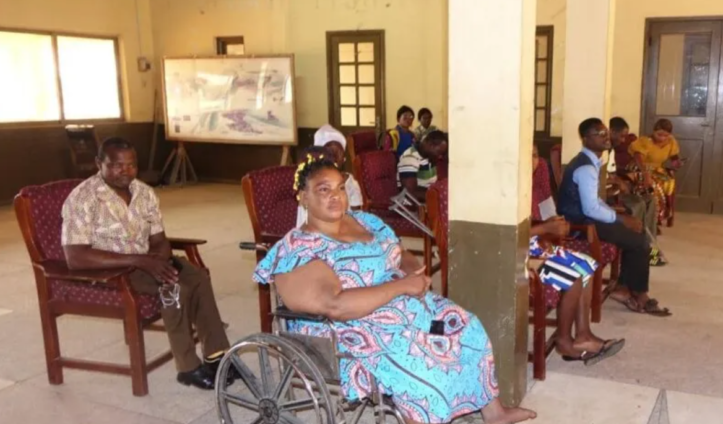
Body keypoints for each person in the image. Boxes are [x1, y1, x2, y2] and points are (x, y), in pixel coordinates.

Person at [254, 155, 537, 424]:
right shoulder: (300, 249)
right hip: (352, 329)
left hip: (405, 308)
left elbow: (399, 252)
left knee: (463, 326)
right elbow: (334, 305)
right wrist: (401, 285)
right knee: (422, 359)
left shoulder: (363, 221)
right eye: (323, 189)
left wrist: (413, 273)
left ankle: (494, 411)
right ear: (303, 197)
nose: (336, 196)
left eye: (339, 187)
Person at [62, 137, 233, 389]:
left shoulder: (144, 192)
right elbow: (75, 257)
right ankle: (188, 367)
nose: (125, 171)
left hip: (145, 261)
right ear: (99, 163)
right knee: (176, 289)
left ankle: (217, 356)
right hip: (112, 270)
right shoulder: (83, 198)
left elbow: (159, 240)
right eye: (116, 165)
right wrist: (141, 261)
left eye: (131, 164)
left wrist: (159, 262)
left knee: (197, 277)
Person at [557, 118, 671, 317]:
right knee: (639, 240)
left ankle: (625, 287)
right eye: (599, 134)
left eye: (606, 132)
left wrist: (617, 214)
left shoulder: (592, 162)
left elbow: (595, 201)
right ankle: (639, 294)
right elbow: (591, 209)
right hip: (581, 226)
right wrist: (620, 219)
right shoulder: (585, 168)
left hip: (588, 219)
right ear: (585, 139)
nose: (606, 137)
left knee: (635, 230)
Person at [531, 145, 625, 363]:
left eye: (534, 155)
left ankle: (583, 335)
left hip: (536, 243)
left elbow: (542, 216)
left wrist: (551, 227)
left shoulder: (533, 184)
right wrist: (544, 229)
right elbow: (507, 236)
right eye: (526, 156)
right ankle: (564, 341)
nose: (532, 161)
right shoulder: (506, 189)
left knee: (586, 264)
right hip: (518, 255)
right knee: (573, 276)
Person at [608, 117, 666, 266]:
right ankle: (636, 250)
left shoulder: (612, 149)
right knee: (638, 204)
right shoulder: (603, 150)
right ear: (612, 132)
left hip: (617, 189)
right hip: (607, 196)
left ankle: (650, 250)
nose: (623, 140)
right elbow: (604, 177)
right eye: (621, 136)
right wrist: (618, 182)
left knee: (650, 199)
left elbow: (613, 172)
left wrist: (624, 179)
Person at [296, 124, 362, 227]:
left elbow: (357, 216)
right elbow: (304, 223)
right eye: (330, 153)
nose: (335, 157)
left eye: (339, 153)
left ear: (343, 159)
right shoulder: (308, 185)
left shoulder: (349, 182)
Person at [628, 118, 683, 223]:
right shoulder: (645, 141)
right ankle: (654, 218)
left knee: (669, 182)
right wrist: (645, 174)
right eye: (659, 135)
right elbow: (637, 157)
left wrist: (676, 162)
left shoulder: (671, 141)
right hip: (640, 168)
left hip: (657, 169)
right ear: (654, 131)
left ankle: (666, 213)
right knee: (655, 185)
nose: (662, 138)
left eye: (665, 135)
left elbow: (674, 156)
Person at [398, 130, 448, 202]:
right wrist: (439, 197)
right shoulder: (410, 158)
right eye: (439, 152)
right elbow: (410, 193)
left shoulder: (430, 157)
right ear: (431, 145)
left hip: (429, 199)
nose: (440, 157)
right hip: (414, 205)